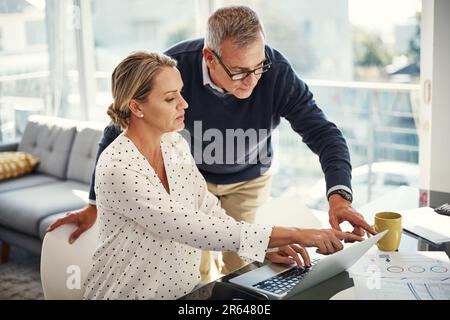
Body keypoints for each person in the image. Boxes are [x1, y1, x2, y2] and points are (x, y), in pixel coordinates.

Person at [48, 6, 376, 280]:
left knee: (248, 267)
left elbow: (325, 134)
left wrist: (339, 197)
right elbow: (117, 128)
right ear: (209, 57)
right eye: (238, 71)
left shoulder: (275, 73)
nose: (252, 80)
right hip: (190, 178)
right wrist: (96, 203)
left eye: (258, 66)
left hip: (248, 179)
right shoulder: (174, 70)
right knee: (195, 270)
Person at [82, 51, 362, 300]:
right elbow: (189, 227)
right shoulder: (118, 168)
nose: (184, 104)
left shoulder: (174, 143)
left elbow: (206, 208)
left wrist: (261, 250)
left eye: (181, 93)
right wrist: (300, 234)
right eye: (170, 98)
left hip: (184, 293)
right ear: (136, 107)